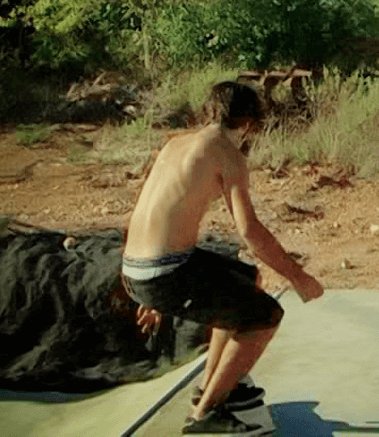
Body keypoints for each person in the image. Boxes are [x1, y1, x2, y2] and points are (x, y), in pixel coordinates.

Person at [121, 81, 324, 434]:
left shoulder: (176, 144)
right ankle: (205, 417)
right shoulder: (228, 154)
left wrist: (152, 294)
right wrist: (298, 277)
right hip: (163, 274)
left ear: (210, 111)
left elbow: (154, 212)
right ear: (249, 123)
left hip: (135, 268)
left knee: (245, 279)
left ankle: (210, 389)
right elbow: (250, 231)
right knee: (266, 315)